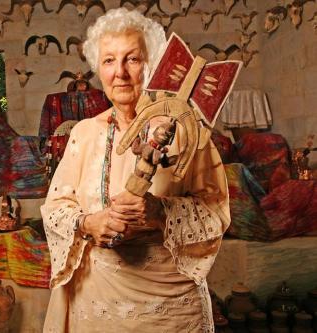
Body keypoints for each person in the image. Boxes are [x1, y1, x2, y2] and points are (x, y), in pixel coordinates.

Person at [40, 7, 230, 333]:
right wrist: (88, 223)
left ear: (152, 65)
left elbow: (215, 214)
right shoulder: (83, 134)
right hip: (96, 306)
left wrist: (159, 211)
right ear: (98, 70)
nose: (121, 73)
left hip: (170, 313)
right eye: (109, 61)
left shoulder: (187, 132)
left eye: (133, 59)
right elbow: (56, 208)